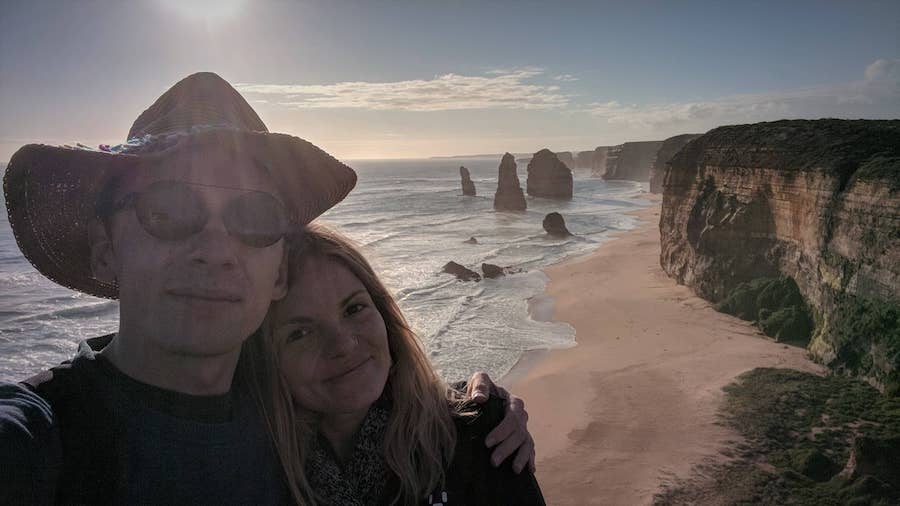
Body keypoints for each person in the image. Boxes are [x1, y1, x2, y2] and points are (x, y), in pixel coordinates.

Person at [0, 72, 533, 505]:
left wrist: (481, 406)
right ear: (104, 248)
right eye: (168, 209)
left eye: (252, 216)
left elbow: (396, 401)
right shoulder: (43, 435)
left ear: (277, 272)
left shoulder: (293, 422)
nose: (216, 246)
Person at [242, 224, 545, 505]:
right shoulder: (250, 477)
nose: (343, 344)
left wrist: (489, 407)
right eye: (300, 333)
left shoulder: (482, 435)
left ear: (384, 315)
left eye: (354, 308)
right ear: (267, 361)